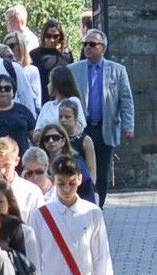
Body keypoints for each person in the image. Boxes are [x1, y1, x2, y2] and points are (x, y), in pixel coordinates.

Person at [70, 29, 134, 206]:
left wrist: (128, 126)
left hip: (105, 128)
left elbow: (126, 100)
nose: (87, 48)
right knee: (81, 168)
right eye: (85, 44)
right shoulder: (74, 70)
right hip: (82, 128)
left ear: (103, 48)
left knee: (103, 171)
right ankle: (83, 203)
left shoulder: (117, 71)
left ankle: (99, 206)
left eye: (92, 44)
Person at [0, 137, 43, 221]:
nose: (2, 171)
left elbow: (38, 227)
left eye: (6, 165)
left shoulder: (32, 192)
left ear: (16, 161)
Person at [38, 124, 97, 205]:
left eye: (55, 137)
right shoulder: (39, 163)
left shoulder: (76, 162)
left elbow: (87, 187)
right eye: (46, 139)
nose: (51, 141)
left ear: (63, 141)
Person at [28, 19, 74, 105]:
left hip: (64, 99)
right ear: (43, 36)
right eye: (48, 36)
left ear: (60, 37)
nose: (52, 40)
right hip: (43, 98)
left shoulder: (66, 54)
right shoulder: (34, 54)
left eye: (55, 36)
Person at [34, 65, 87, 136]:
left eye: (50, 82)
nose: (47, 85)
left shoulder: (73, 101)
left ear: (58, 83)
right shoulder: (47, 106)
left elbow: (79, 127)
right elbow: (36, 132)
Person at [56, 99, 97, 185]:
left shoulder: (85, 140)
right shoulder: (55, 138)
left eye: (67, 117)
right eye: (60, 116)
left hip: (81, 183)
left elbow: (91, 169)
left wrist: (91, 188)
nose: (63, 120)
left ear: (75, 118)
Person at [1, 32, 41, 114]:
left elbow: (37, 99)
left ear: (21, 47)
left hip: (26, 112)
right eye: (6, 46)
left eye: (12, 46)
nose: (9, 49)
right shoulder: (1, 70)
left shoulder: (31, 70)